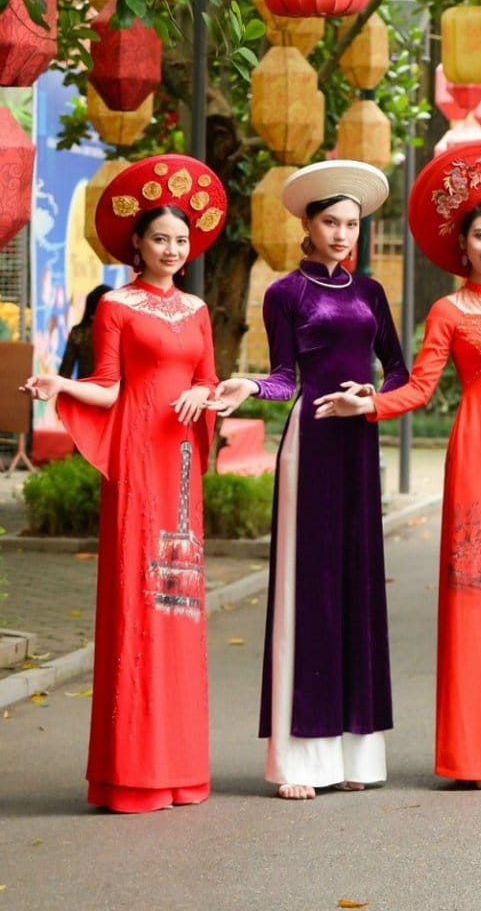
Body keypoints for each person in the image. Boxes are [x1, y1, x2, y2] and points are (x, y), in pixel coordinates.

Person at [315, 142, 481, 792]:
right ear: (465, 245)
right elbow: (422, 388)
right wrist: (369, 402)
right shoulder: (449, 312)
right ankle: (480, 754)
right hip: (476, 455)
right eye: (480, 235)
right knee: (479, 597)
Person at [23, 156, 231, 812]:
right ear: (136, 245)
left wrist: (207, 396)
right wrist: (60, 384)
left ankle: (180, 770)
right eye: (159, 239)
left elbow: (208, 379)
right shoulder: (115, 305)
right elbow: (109, 387)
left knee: (180, 604)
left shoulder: (197, 308)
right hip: (139, 460)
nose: (172, 249)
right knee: (138, 601)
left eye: (180, 240)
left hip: (182, 468)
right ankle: (130, 773)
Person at [210, 162, 408, 801]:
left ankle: (356, 753)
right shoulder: (284, 294)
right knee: (309, 589)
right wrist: (248, 385)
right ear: (308, 224)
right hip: (312, 445)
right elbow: (285, 377)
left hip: (359, 440)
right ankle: (299, 760)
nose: (344, 233)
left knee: (356, 588)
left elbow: (401, 374)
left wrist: (371, 396)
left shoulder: (373, 293)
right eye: (332, 222)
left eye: (352, 224)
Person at [57, 283, 112, 381]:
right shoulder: (117, 332)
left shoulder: (78, 332)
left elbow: (65, 372)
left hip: (84, 391)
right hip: (114, 392)